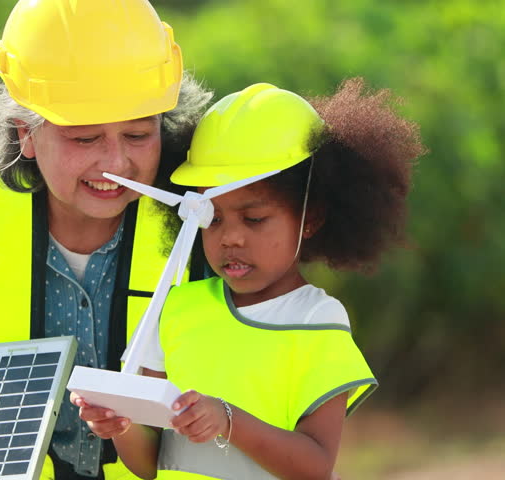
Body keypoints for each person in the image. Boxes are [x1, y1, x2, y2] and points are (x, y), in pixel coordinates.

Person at [0, 1, 213, 479]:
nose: (117, 164)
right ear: (26, 133)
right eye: (86, 139)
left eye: (137, 134)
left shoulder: (203, 213)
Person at [73, 79, 426, 480]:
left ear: (310, 218)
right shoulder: (176, 308)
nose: (231, 238)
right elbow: (150, 465)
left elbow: (315, 466)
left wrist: (226, 420)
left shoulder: (317, 320)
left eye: (254, 219)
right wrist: (121, 425)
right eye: (213, 218)